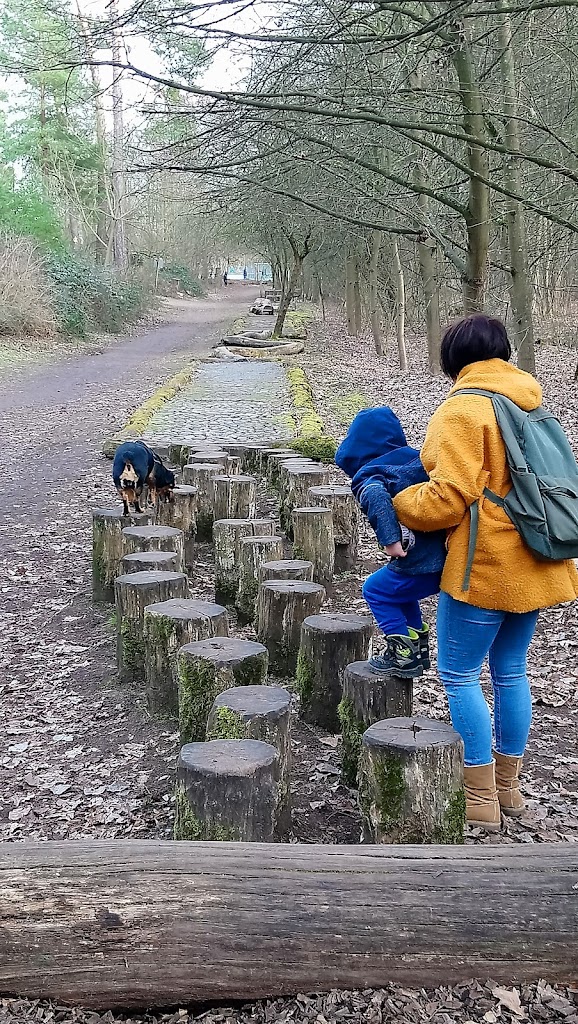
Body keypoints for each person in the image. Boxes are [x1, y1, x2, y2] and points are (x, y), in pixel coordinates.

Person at [393, 313, 578, 830]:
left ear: (453, 360)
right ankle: (509, 790)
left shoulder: (463, 410)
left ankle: (478, 800)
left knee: (458, 674)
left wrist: (398, 500)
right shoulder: (531, 402)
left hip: (488, 565)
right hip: (540, 559)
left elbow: (446, 499)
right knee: (512, 672)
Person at [335, 407, 446, 677]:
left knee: (375, 590)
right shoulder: (417, 461)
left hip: (418, 561)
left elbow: (376, 498)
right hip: (446, 558)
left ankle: (402, 654)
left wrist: (390, 540)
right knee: (399, 595)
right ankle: (418, 650)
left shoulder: (371, 474)